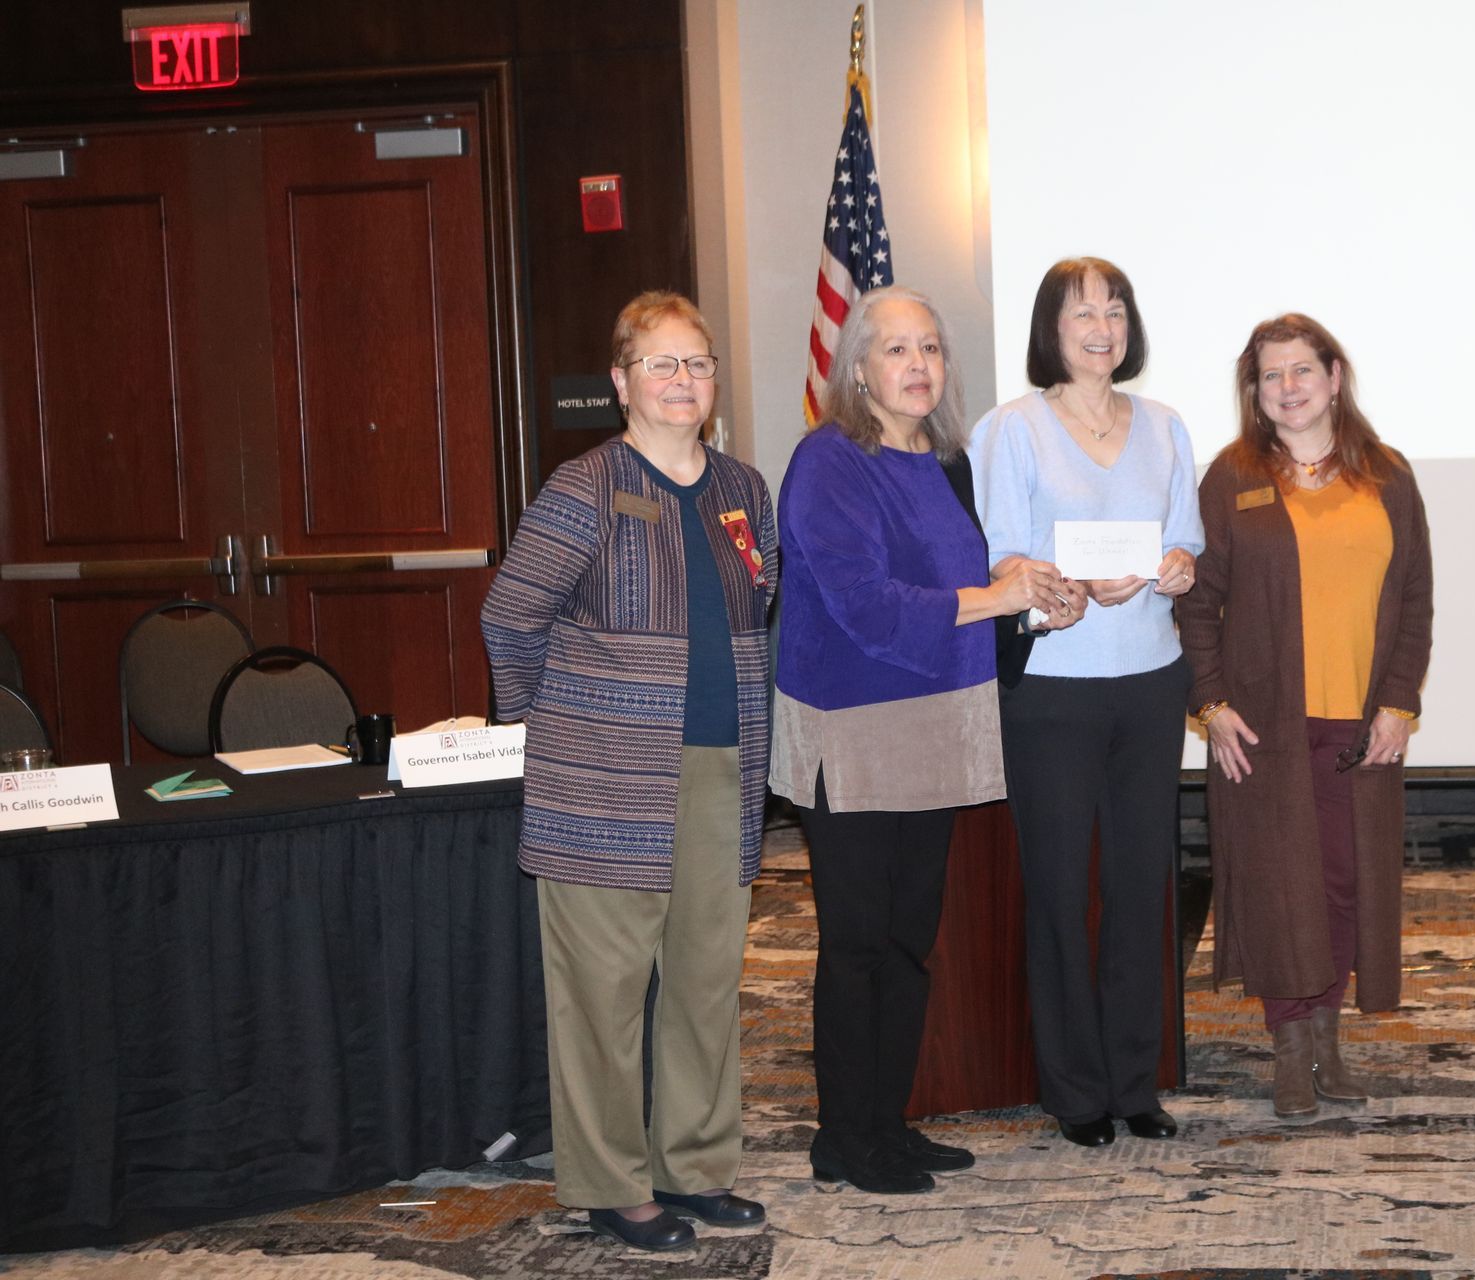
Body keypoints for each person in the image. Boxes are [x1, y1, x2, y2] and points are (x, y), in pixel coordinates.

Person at [481, 292, 777, 1253]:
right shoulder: (584, 486)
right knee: (604, 994)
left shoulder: (743, 487)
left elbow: (756, 612)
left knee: (703, 983)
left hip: (723, 765)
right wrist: (557, 729)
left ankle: (694, 1167)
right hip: (605, 778)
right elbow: (510, 619)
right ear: (621, 382)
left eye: (698, 364)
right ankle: (612, 1184)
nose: (683, 381)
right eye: (662, 364)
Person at [770, 285, 1071, 1193]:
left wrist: (1019, 577)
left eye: (931, 349)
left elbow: (952, 574)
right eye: (896, 349)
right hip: (853, 727)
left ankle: (887, 1124)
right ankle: (842, 1139)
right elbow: (865, 606)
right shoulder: (827, 461)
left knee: (907, 942)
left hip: (935, 723)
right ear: (857, 365)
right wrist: (997, 598)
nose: (918, 366)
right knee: (858, 943)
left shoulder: (943, 460)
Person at [967, 257, 1203, 1147]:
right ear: (1050, 332)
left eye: (1114, 311)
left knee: (1144, 887)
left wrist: (1176, 568)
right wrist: (1060, 584)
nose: (1100, 328)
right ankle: (1074, 1091)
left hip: (1149, 684)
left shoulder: (1168, 427)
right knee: (1061, 891)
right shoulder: (1012, 430)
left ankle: (1135, 1083)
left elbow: (1182, 545)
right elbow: (1001, 559)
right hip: (1054, 693)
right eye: (1080, 315)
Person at [1177, 312, 1433, 1117]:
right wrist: (1211, 705)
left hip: (1363, 730)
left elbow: (1416, 601)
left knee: (1346, 886)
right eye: (1269, 376)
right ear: (1254, 391)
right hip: (1265, 732)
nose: (1286, 389)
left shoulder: (1387, 476)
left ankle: (1329, 1044)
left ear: (1333, 377)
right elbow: (1197, 605)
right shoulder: (1231, 477)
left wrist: (1398, 703)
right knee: (1282, 888)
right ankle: (1290, 1053)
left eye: (1301, 371)